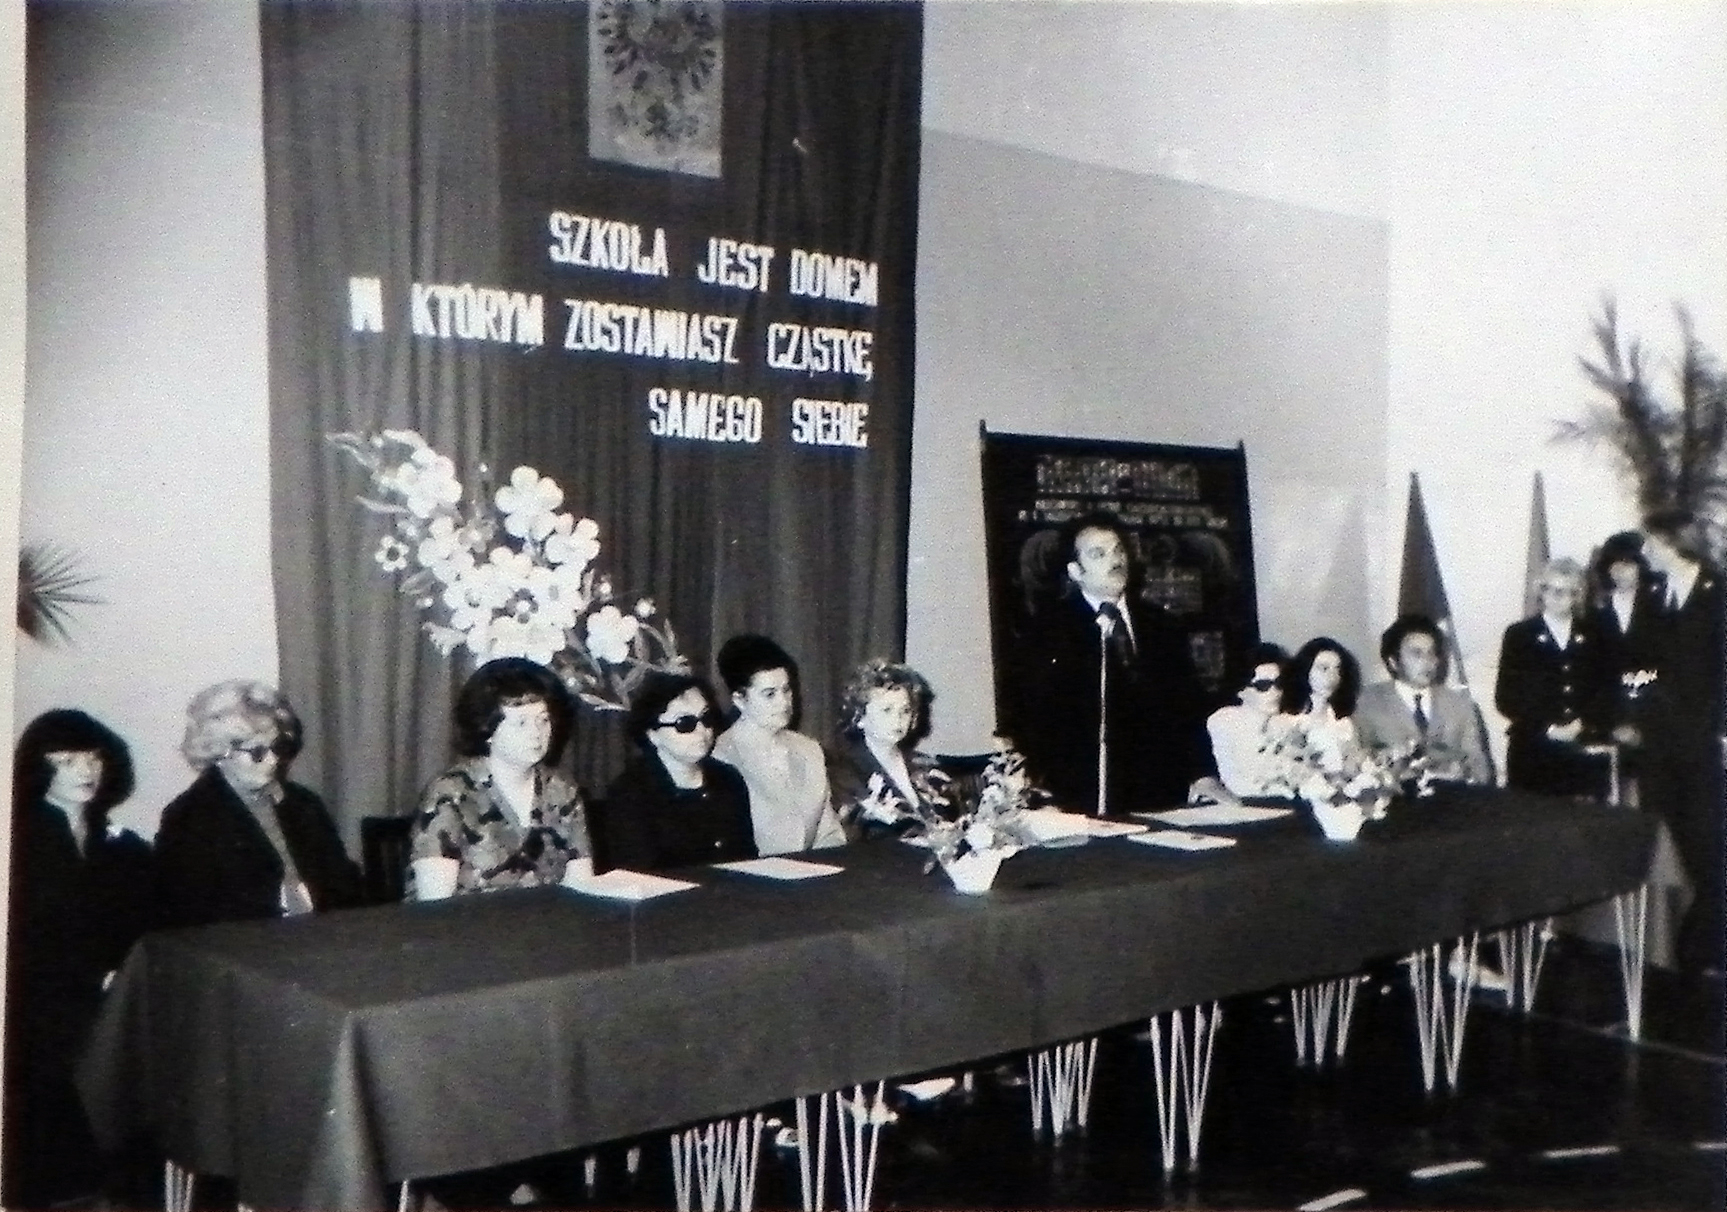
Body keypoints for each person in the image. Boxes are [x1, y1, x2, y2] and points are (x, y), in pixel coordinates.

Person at [5, 711, 155, 1209]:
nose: (86, 770)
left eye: (92, 758)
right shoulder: (21, 838)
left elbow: (134, 919)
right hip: (42, 1001)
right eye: (67, 761)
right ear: (38, 770)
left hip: (104, 992)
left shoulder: (112, 838)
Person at [1010, 512, 1227, 814]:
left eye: (1118, 550)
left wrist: (1204, 776)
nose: (1115, 560)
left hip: (1164, 797)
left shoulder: (1161, 625)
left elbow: (1188, 711)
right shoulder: (1048, 633)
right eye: (1098, 554)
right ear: (1075, 571)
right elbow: (1038, 723)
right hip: (1085, 800)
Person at [156, 680, 363, 928]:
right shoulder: (188, 818)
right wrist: (284, 902)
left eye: (277, 747)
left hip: (320, 935)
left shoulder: (304, 803)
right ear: (220, 754)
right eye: (257, 752)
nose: (273, 760)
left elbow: (343, 883)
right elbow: (191, 915)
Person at [409, 658, 592, 899]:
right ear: (488, 729)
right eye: (521, 723)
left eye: (544, 720)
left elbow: (581, 889)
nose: (537, 733)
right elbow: (434, 905)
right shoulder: (450, 795)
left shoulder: (562, 791)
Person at [1638, 510, 1725, 974]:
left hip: (1705, 743)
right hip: (1659, 745)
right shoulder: (1653, 594)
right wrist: (1637, 700)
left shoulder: (1718, 591)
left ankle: (1705, 948)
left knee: (1708, 845)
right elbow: (1641, 664)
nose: (1644, 552)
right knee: (1671, 844)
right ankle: (1682, 948)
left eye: (1650, 542)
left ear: (1673, 543)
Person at [593, 672, 758, 873]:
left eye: (706, 718)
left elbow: (747, 858)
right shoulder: (630, 793)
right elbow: (638, 874)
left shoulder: (728, 778)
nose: (702, 731)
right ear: (652, 734)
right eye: (685, 724)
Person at [712, 634, 846, 855]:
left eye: (787, 690)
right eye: (770, 694)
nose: (783, 702)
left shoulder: (809, 749)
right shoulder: (722, 756)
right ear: (739, 700)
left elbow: (828, 834)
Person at [1494, 558, 1612, 797]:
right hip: (1533, 751)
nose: (1557, 597)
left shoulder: (1594, 635)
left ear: (1577, 596)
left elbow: (1606, 691)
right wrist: (1546, 728)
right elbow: (1506, 697)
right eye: (1551, 589)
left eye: (1566, 591)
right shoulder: (1519, 635)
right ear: (1541, 591)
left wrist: (1583, 722)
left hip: (1583, 748)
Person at [1353, 614, 1494, 785]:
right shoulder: (1366, 703)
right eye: (1417, 654)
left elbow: (1480, 769)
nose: (1428, 662)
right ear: (1393, 662)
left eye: (1432, 653)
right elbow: (1356, 762)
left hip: (1451, 797)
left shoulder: (1460, 705)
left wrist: (1462, 773)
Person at [828, 658, 956, 837]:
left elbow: (949, 818)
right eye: (887, 710)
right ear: (859, 718)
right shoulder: (843, 772)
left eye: (905, 711)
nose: (898, 719)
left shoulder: (924, 764)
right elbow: (854, 833)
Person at [1590, 531, 1664, 768]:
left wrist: (1646, 724)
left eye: (1628, 564)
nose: (1621, 571)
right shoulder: (1594, 614)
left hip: (1655, 720)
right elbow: (1592, 676)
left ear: (1641, 566)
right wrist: (1613, 724)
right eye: (1615, 564)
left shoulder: (1661, 608)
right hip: (1610, 721)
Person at [1206, 642, 1290, 797]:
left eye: (1279, 684)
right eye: (1263, 686)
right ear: (1241, 691)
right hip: (1238, 803)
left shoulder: (1287, 722)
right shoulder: (1225, 721)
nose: (1275, 692)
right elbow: (1234, 783)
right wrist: (1287, 790)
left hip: (1280, 801)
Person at [1277, 637, 1363, 765]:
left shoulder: (1345, 725)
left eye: (1337, 670)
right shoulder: (1286, 723)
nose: (1332, 677)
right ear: (1306, 670)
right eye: (1324, 668)